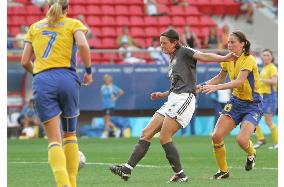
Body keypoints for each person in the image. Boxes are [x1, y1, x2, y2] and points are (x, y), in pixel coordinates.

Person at [109, 28, 237, 183]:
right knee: (146, 133)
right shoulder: (173, 58)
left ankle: (181, 175)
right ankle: (127, 169)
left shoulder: (184, 52)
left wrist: (224, 58)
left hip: (185, 99)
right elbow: (178, 84)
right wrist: (163, 94)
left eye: (164, 43)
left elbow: (204, 55)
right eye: (160, 43)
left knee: (164, 137)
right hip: (173, 99)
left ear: (174, 43)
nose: (161, 46)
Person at [21, 0, 93, 186]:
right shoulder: (73, 23)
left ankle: (63, 184)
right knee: (70, 134)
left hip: (43, 80)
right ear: (67, 9)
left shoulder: (34, 27)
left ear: (47, 7)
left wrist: (37, 73)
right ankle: (73, 182)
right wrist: (88, 71)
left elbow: (24, 61)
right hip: (67, 78)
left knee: (54, 139)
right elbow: (83, 46)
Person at [199, 31, 263, 179]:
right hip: (235, 102)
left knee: (241, 140)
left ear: (243, 44)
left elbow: (239, 82)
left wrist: (216, 87)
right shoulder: (227, 59)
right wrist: (202, 85)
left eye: (233, 42)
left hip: (253, 104)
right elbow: (220, 77)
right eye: (228, 42)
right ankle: (224, 171)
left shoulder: (249, 59)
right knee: (216, 136)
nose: (229, 45)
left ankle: (251, 153)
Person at [254, 49, 278, 149]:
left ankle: (278, 142)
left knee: (268, 121)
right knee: (254, 118)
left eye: (268, 55)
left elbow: (274, 81)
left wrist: (261, 80)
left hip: (271, 97)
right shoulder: (264, 68)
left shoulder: (272, 68)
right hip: (263, 97)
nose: (265, 57)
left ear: (272, 57)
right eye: (264, 55)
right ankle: (261, 139)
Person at [101, 74, 124, 138]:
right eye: (105, 79)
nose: (105, 80)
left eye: (107, 79)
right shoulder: (103, 87)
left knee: (107, 120)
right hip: (104, 106)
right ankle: (117, 130)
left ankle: (105, 133)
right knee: (105, 121)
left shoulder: (112, 87)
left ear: (110, 80)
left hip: (110, 105)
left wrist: (115, 98)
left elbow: (121, 92)